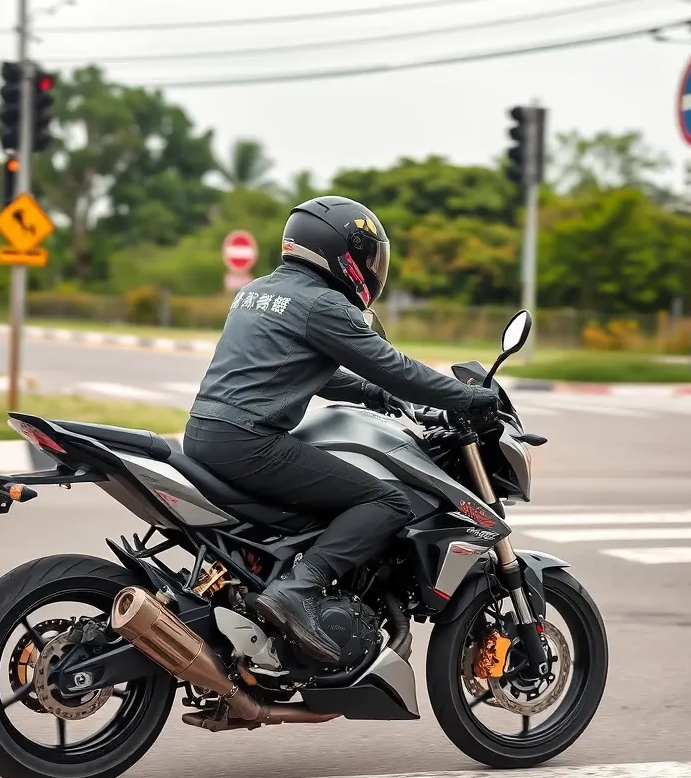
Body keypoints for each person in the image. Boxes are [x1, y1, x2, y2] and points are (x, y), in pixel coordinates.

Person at [184, 196, 499, 664]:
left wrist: (372, 394)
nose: (373, 269)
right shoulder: (324, 303)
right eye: (368, 255)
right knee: (387, 500)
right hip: (251, 443)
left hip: (205, 434)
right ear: (340, 251)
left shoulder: (258, 291)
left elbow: (301, 366)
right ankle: (299, 588)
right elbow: (395, 367)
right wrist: (470, 397)